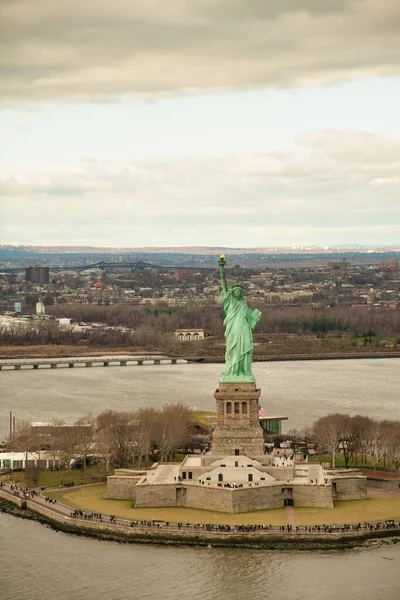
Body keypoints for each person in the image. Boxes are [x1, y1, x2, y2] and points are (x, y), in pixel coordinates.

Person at [218, 255, 262, 380]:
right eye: (235, 291)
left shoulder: (243, 304)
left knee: (244, 348)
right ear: (233, 293)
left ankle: (243, 371)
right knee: (232, 349)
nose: (237, 292)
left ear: (241, 293)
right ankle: (232, 371)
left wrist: (256, 317)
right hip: (233, 329)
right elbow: (224, 284)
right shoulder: (230, 302)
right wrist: (221, 269)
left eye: (239, 291)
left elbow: (250, 319)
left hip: (243, 330)